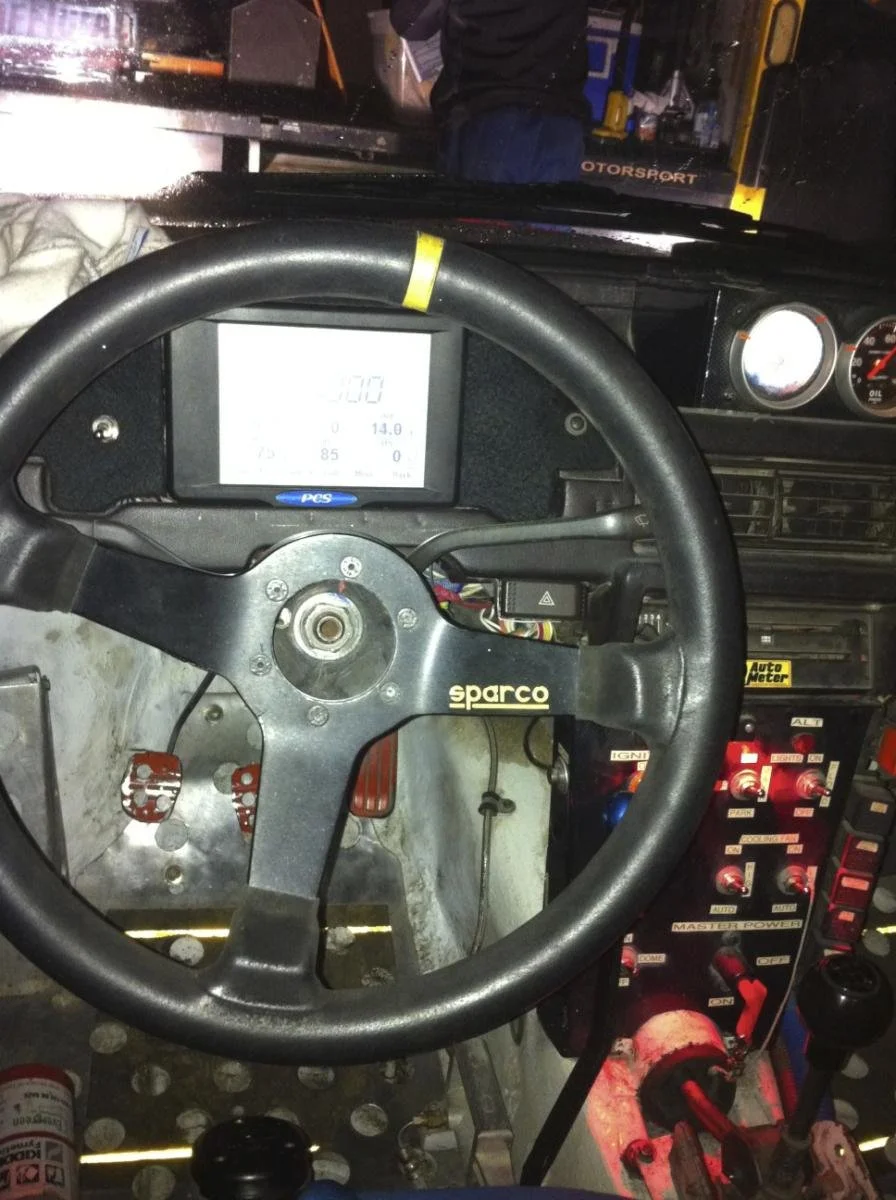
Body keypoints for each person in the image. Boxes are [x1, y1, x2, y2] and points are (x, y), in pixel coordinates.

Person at [389, 0, 589, 184]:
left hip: (489, 124)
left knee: (482, 221)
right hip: (562, 125)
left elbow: (411, 22)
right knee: (544, 220)